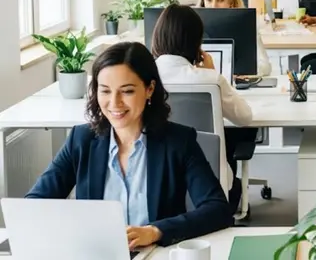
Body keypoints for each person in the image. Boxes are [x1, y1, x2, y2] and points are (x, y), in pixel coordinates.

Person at [26, 42, 233, 249]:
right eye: (105, 91)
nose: (114, 103)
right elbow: (34, 204)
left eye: (127, 91)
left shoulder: (178, 141)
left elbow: (217, 209)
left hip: (154, 255)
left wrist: (155, 231)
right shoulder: (81, 140)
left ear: (149, 89)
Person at [150, 4, 254, 214]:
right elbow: (245, 117)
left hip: (155, 182)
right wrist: (215, 75)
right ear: (196, 43)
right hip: (209, 184)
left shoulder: (142, 78)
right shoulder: (209, 79)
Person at [198, 0, 271, 76]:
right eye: (209, 0)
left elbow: (266, 67)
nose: (213, 6)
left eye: (221, 0)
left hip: (236, 86)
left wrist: (244, 73)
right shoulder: (194, 27)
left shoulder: (245, 25)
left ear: (231, 3)